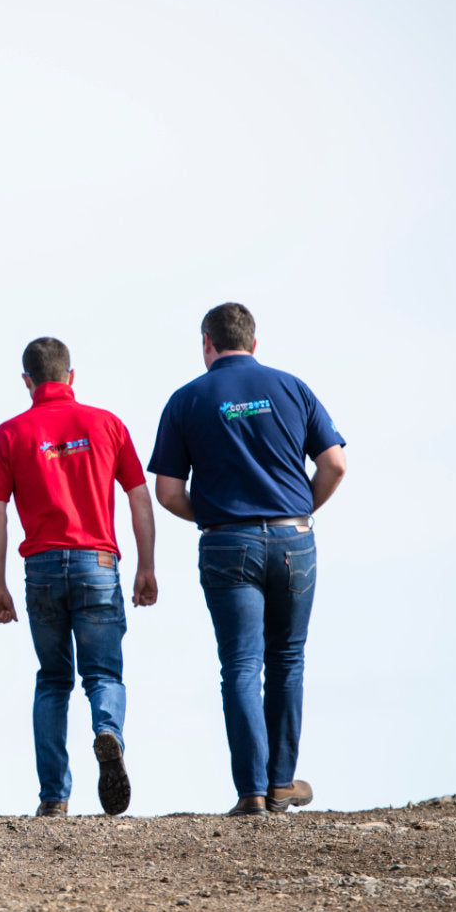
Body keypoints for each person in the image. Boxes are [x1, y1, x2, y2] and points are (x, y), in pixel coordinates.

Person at [148, 303, 346, 817]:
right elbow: (335, 464)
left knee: (239, 665)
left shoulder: (187, 399)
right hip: (293, 539)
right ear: (254, 344)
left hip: (225, 541)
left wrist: (214, 518)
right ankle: (282, 782)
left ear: (206, 343)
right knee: (287, 660)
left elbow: (167, 492)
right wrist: (299, 509)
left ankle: (252, 791)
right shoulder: (292, 388)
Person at [0, 337, 158, 817]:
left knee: (53, 680)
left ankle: (54, 797)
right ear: (71, 376)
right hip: (97, 563)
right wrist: (146, 565)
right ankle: (107, 732)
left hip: (41, 569)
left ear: (27, 381)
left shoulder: (9, 434)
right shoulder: (106, 424)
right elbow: (140, 496)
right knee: (103, 672)